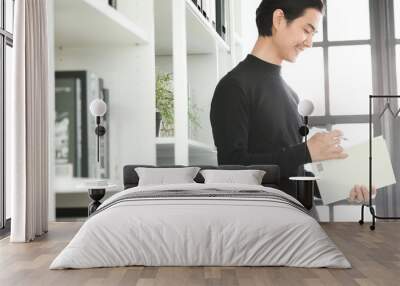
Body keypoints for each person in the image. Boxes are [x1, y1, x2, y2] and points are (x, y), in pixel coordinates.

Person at [210, 0, 375, 204]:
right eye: (307, 30)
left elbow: (290, 173)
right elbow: (232, 167)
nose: (309, 42)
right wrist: (305, 152)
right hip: (262, 224)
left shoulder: (291, 95)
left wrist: (345, 187)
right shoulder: (234, 86)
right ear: (278, 19)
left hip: (296, 219)